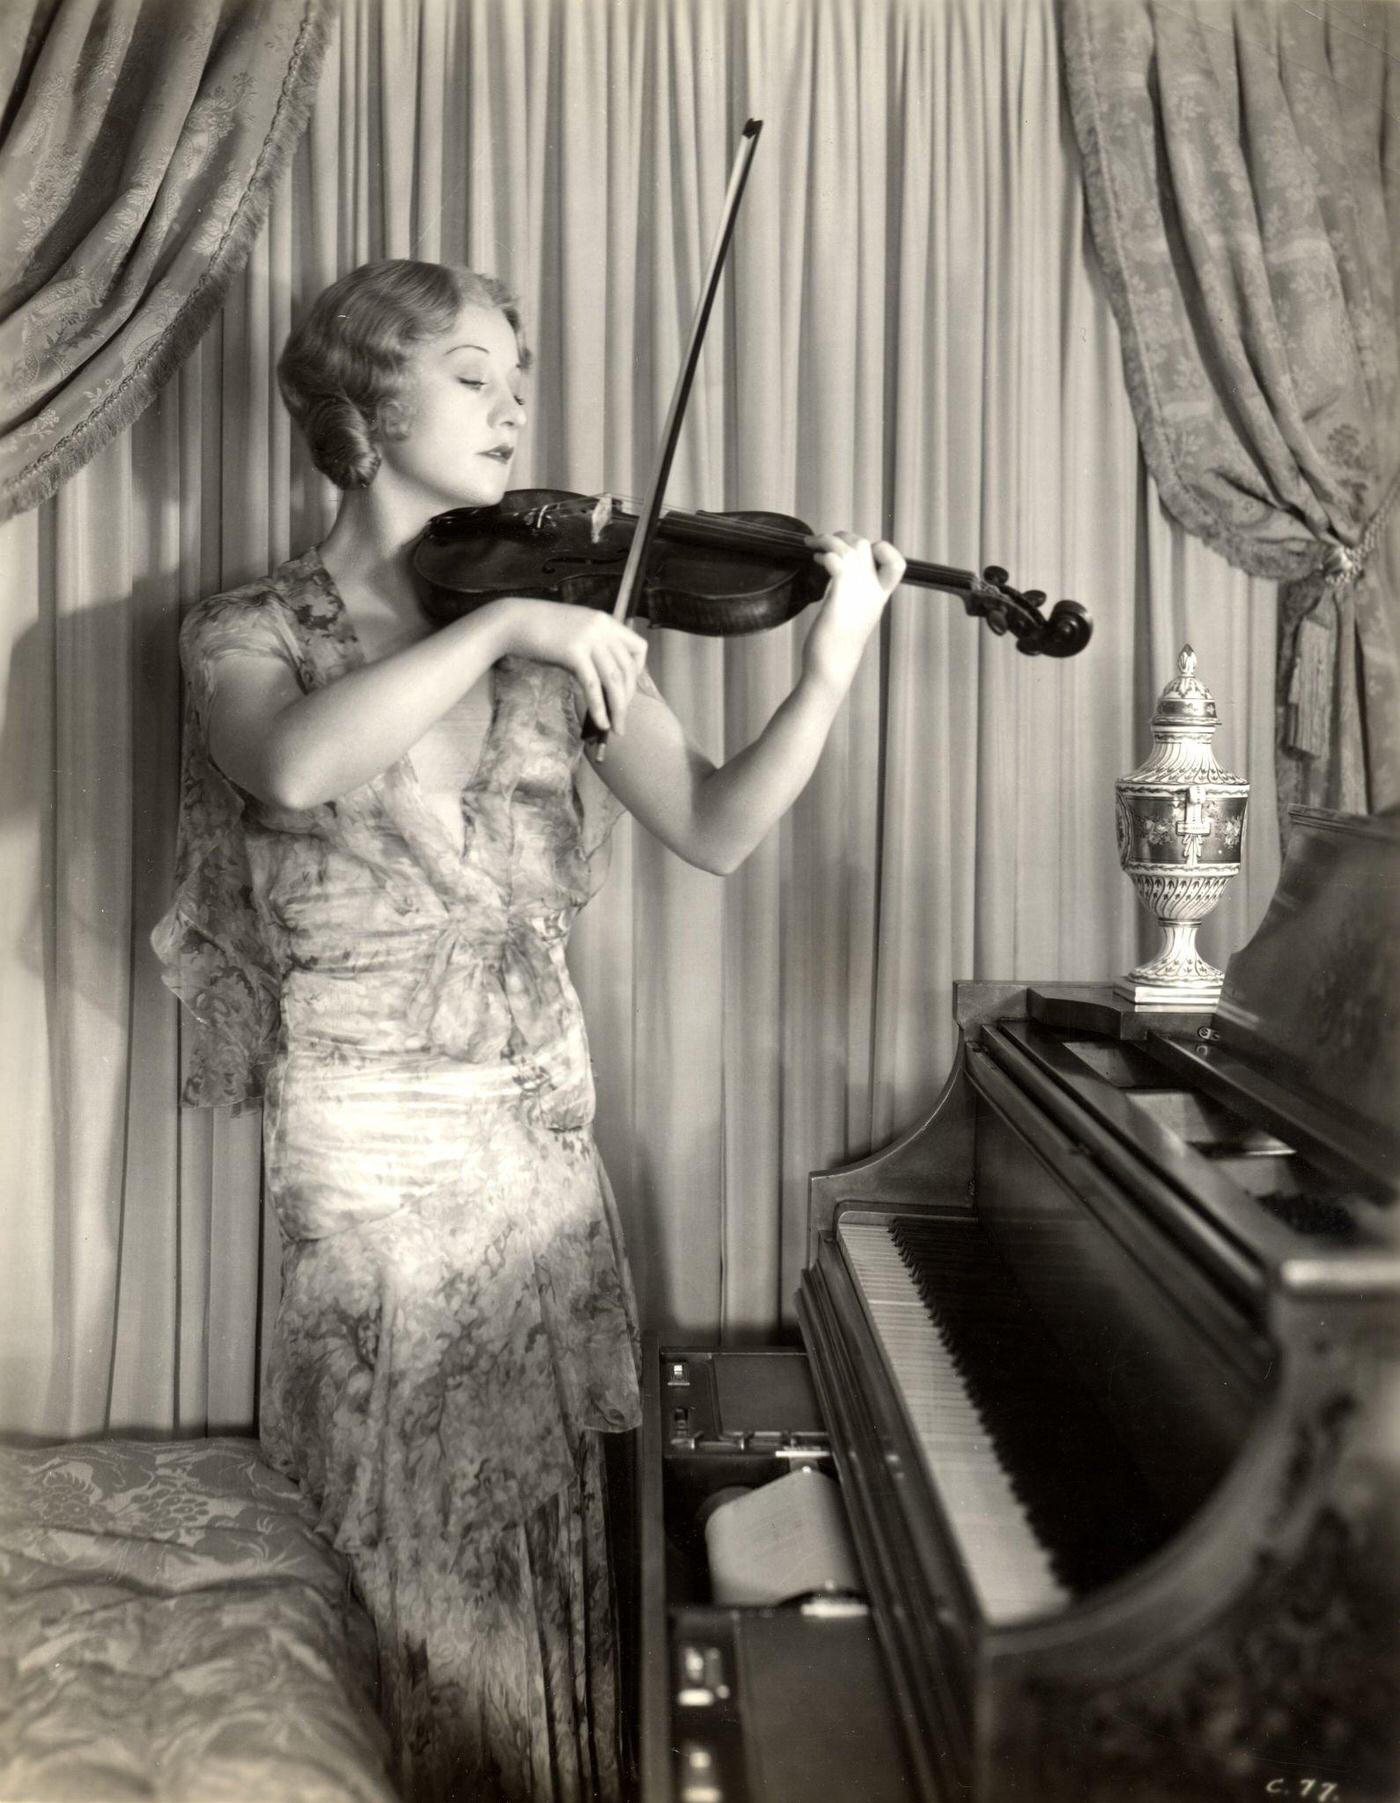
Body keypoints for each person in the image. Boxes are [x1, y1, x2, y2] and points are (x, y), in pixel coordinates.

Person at [151, 258, 904, 1803]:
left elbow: (713, 824)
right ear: (365, 410)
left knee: (556, 1536)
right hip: (370, 1154)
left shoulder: (559, 625)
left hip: (541, 1142)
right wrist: (502, 630)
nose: (514, 413)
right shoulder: (248, 629)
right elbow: (290, 770)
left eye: (520, 380)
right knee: (402, 1532)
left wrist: (827, 674)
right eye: (474, 376)